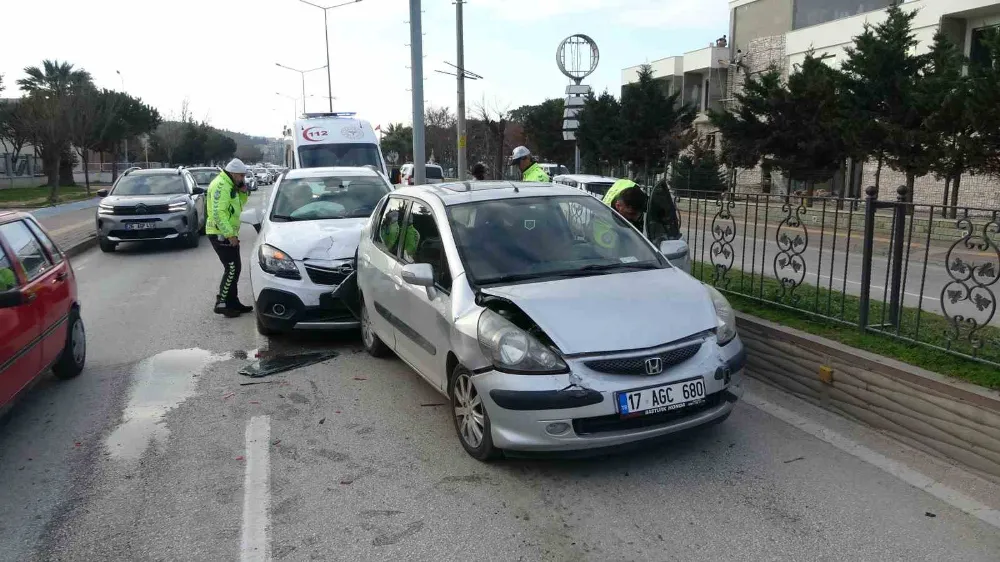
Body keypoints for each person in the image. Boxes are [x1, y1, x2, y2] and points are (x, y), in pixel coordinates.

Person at [206, 158, 253, 317]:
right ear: (233, 173)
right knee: (231, 268)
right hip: (220, 233)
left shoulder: (230, 184)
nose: (242, 179)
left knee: (236, 268)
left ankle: (233, 302)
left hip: (227, 233)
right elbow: (219, 213)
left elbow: (239, 205)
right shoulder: (221, 185)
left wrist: (242, 191)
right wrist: (229, 234)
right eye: (241, 176)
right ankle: (222, 302)